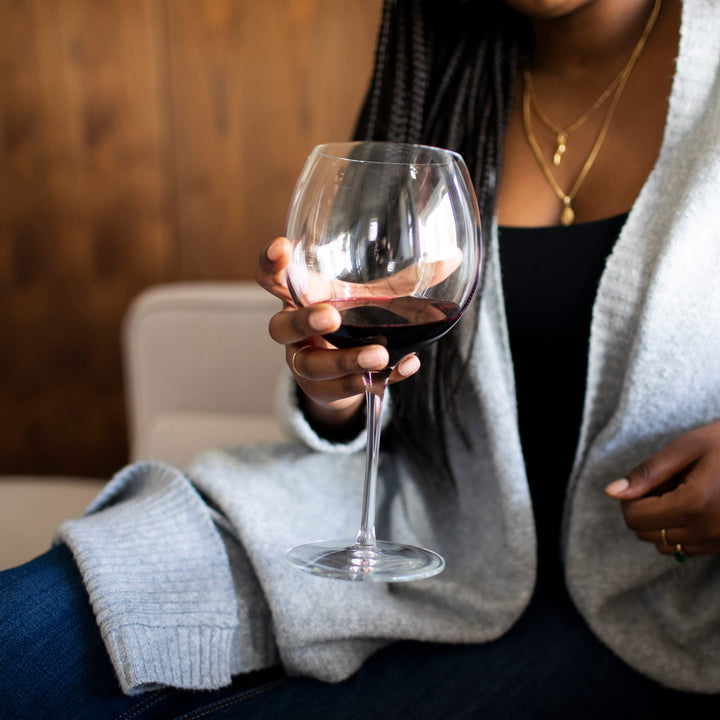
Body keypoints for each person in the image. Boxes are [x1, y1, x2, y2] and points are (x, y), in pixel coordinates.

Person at [2, 0, 719, 718]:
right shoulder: (445, 69)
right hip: (407, 532)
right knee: (19, 638)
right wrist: (340, 398)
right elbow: (402, 369)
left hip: (651, 605)